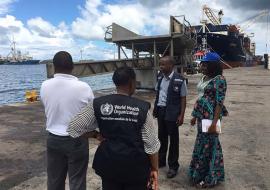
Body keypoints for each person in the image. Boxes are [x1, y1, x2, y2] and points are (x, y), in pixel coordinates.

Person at [67, 66, 160, 190]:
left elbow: (73, 128)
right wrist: (154, 168)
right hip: (135, 168)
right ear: (132, 83)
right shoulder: (142, 108)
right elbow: (151, 145)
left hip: (108, 165)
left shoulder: (98, 104)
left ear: (115, 82)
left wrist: (95, 135)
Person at [40, 51, 94, 190]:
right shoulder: (83, 87)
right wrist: (95, 133)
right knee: (77, 182)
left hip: (53, 139)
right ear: (72, 67)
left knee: (54, 181)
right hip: (77, 139)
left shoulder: (45, 85)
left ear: (53, 67)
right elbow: (92, 115)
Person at [189, 52, 228, 188]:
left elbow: (219, 103)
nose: (202, 67)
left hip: (211, 118)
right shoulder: (205, 77)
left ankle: (210, 177)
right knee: (202, 144)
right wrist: (194, 115)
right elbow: (200, 98)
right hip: (201, 117)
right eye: (202, 64)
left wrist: (214, 123)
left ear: (213, 66)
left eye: (205, 64)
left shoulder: (220, 80)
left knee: (210, 147)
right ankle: (198, 173)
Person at [153, 56, 187, 178]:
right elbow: (158, 93)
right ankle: (161, 162)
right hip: (161, 111)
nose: (161, 67)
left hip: (172, 113)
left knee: (173, 140)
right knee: (161, 138)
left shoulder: (180, 79)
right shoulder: (159, 77)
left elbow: (183, 98)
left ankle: (173, 166)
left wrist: (181, 115)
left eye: (163, 64)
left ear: (171, 66)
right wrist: (155, 108)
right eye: (160, 64)